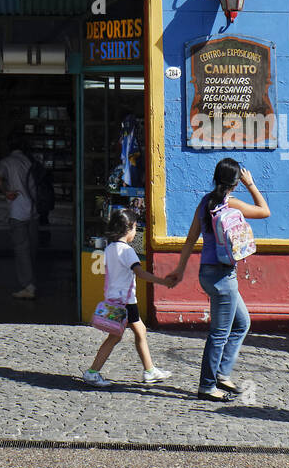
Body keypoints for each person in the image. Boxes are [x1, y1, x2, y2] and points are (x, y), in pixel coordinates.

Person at [166, 158, 270, 401]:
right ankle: (207, 385)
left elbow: (191, 239)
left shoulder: (205, 203)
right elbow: (265, 211)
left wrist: (180, 270)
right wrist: (252, 184)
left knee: (242, 323)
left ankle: (222, 374)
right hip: (224, 276)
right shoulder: (231, 203)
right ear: (235, 182)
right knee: (219, 333)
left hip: (207, 272)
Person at [83, 207, 173, 387]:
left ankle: (150, 370)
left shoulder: (110, 248)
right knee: (115, 337)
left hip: (113, 299)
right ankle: (92, 372)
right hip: (126, 302)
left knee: (139, 331)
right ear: (129, 228)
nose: (135, 231)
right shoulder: (128, 251)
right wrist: (161, 281)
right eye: (135, 227)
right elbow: (139, 273)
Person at [0, 145, 38, 299]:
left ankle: (28, 285)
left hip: (17, 210)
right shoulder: (29, 161)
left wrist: (6, 192)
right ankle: (32, 280)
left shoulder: (6, 162)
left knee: (21, 249)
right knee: (31, 247)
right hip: (33, 209)